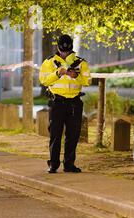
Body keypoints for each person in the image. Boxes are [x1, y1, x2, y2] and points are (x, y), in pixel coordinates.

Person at [39, 34, 91, 173]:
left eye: (67, 52)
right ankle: (53, 164)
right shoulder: (49, 62)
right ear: (58, 48)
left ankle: (69, 164)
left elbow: (87, 81)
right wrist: (58, 73)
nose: (64, 53)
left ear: (71, 48)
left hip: (74, 103)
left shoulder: (80, 63)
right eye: (62, 51)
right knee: (55, 134)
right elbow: (44, 80)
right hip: (57, 102)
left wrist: (76, 76)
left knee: (73, 135)